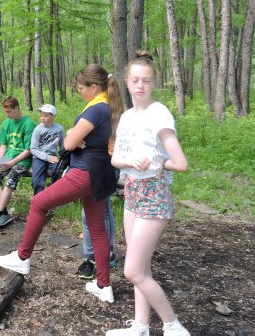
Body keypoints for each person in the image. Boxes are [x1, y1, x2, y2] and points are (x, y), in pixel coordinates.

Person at [0, 64, 124, 305]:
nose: (79, 92)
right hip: (100, 174)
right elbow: (77, 140)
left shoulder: (95, 110)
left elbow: (68, 143)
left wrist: (73, 136)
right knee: (97, 228)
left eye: (81, 88)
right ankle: (104, 285)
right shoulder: (109, 107)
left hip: (84, 173)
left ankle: (22, 258)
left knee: (38, 202)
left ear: (94, 87)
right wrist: (76, 137)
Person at [106, 51, 189, 336]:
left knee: (132, 271)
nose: (140, 85)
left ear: (154, 83)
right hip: (132, 191)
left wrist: (155, 162)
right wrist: (131, 162)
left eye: (146, 81)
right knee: (141, 267)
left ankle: (173, 326)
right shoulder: (127, 117)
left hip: (154, 193)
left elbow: (180, 163)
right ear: (127, 82)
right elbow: (116, 158)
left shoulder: (159, 113)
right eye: (135, 80)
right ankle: (140, 327)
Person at [0, 96, 36, 231]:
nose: (7, 115)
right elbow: (4, 145)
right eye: (5, 112)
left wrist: (11, 163)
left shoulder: (28, 124)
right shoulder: (7, 122)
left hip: (22, 160)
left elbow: (29, 150)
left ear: (16, 108)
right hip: (8, 158)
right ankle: (5, 213)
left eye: (9, 112)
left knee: (9, 181)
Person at [76, 138, 121, 280]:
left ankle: (104, 254)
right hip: (91, 162)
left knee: (102, 214)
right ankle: (92, 257)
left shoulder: (113, 117)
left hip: (107, 163)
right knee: (91, 214)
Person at [30, 104, 64, 195]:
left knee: (59, 171)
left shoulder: (59, 129)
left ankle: (50, 192)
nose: (42, 118)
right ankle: (38, 198)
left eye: (45, 116)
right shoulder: (38, 129)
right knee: (37, 181)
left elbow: (63, 147)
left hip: (53, 157)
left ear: (53, 116)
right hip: (38, 157)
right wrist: (47, 158)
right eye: (41, 116)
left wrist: (64, 159)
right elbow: (33, 149)